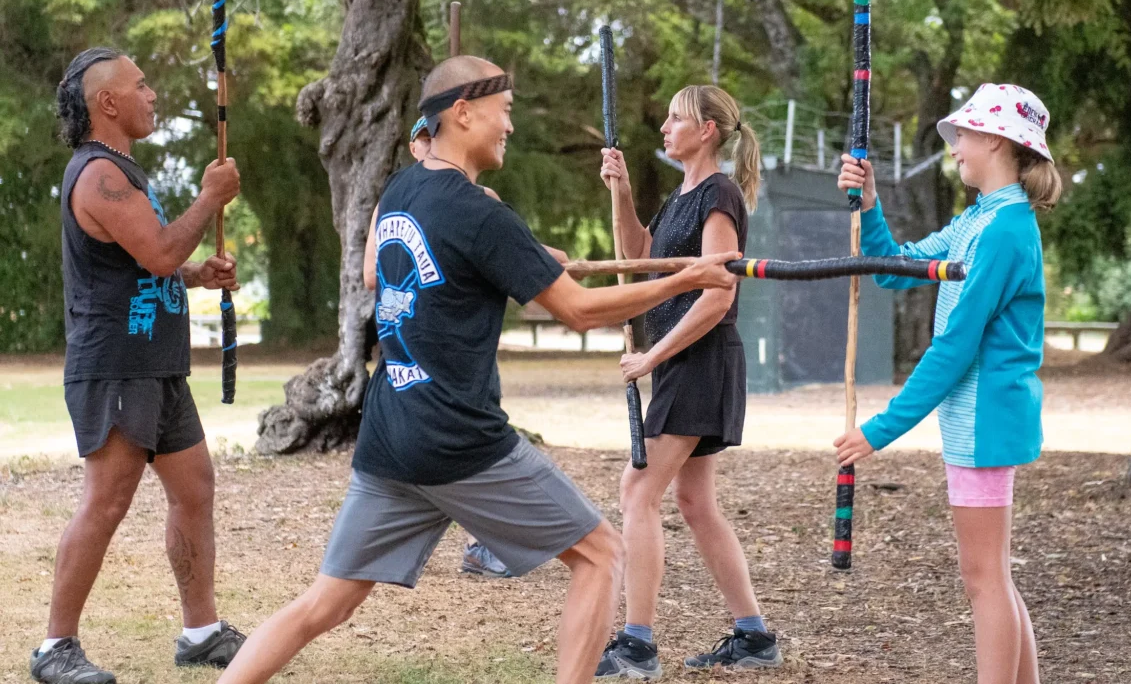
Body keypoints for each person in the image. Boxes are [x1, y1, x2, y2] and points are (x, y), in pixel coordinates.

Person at [218, 56, 740, 684]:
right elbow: (579, 313)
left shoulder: (402, 190)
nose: (510, 127)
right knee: (601, 554)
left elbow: (373, 272)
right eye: (506, 110)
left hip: (390, 432)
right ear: (463, 113)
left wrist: (515, 258)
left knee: (325, 603)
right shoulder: (481, 214)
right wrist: (685, 277)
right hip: (457, 438)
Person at [834, 83, 1061, 684]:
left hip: (987, 419)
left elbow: (956, 346)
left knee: (983, 578)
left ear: (993, 140)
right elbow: (892, 268)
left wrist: (880, 429)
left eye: (963, 135)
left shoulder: (1005, 231)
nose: (955, 146)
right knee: (994, 576)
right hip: (978, 419)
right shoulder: (980, 219)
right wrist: (871, 203)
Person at [33, 48, 246, 684]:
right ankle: (54, 648)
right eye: (142, 85)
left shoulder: (122, 173)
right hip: (116, 365)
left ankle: (201, 633)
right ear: (108, 103)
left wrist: (196, 274)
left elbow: (142, 262)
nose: (153, 95)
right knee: (107, 501)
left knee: (195, 488)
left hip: (155, 364)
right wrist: (209, 198)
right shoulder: (98, 175)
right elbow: (153, 253)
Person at [592, 85, 779, 679]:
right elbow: (638, 258)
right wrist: (621, 190)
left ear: (708, 131)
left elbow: (718, 293)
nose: (666, 128)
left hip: (701, 361)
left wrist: (651, 357)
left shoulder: (719, 194)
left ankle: (638, 647)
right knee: (694, 502)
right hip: (687, 363)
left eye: (677, 119)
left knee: (636, 492)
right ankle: (753, 635)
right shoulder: (682, 195)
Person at [363, 113, 567, 580]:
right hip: (413, 344)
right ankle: (474, 543)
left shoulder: (480, 201)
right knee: (453, 447)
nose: (422, 148)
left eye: (426, 138)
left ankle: (480, 544)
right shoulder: (395, 197)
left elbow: (519, 256)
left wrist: (542, 261)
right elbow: (371, 275)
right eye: (417, 141)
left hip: (463, 345)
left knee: (468, 441)